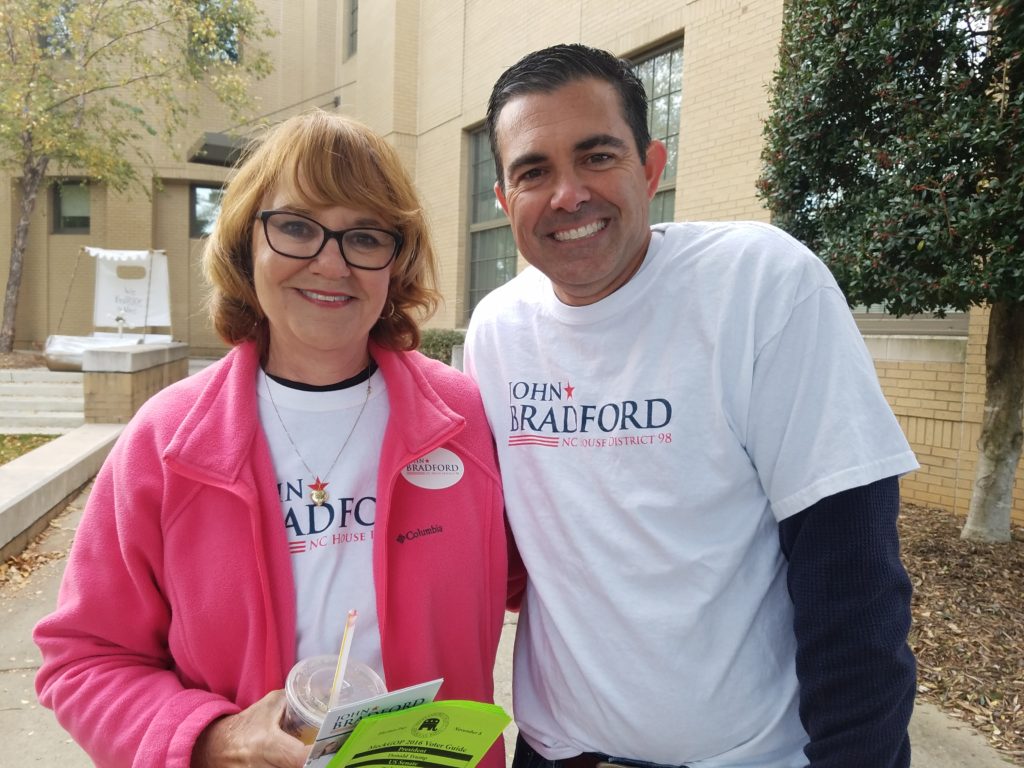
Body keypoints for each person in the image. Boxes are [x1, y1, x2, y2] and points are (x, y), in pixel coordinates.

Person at [464, 43, 918, 768]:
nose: (568, 194)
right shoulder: (496, 331)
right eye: (533, 171)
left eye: (598, 156)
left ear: (650, 167)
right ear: (503, 199)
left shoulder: (760, 286)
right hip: (559, 754)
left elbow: (853, 576)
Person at [34, 110, 508, 768]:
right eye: (295, 228)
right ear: (244, 243)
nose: (330, 262)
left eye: (365, 236)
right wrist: (213, 740)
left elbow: (560, 574)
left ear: (395, 261)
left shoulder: (465, 422)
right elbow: (85, 661)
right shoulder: (166, 442)